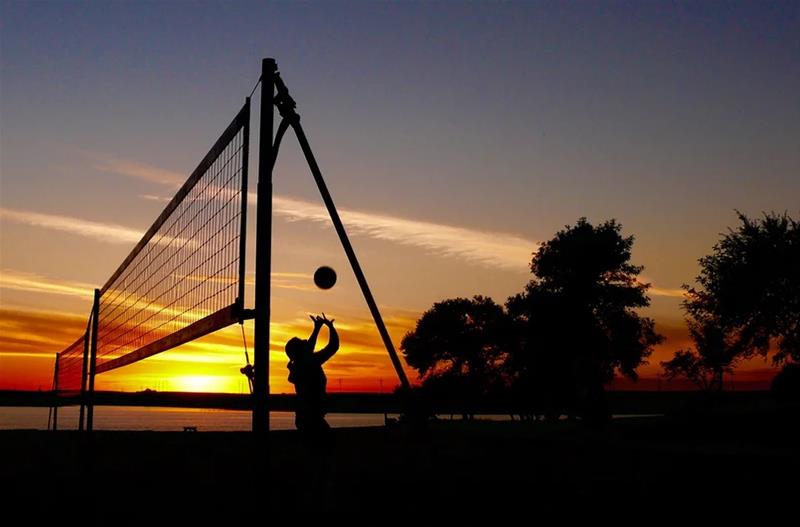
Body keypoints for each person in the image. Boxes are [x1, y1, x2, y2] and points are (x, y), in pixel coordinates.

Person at [285, 313, 339, 439]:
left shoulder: (301, 363)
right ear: (299, 352)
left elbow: (308, 347)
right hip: (311, 419)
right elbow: (333, 346)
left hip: (306, 418)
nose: (306, 343)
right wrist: (330, 327)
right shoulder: (309, 363)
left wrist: (317, 328)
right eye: (302, 344)